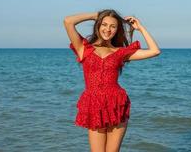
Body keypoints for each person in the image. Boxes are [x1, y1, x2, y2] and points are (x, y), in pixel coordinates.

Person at [63, 9, 161, 152]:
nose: (108, 29)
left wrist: (140, 28)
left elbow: (155, 51)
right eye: (104, 24)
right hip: (94, 103)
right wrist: (94, 16)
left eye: (113, 26)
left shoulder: (120, 52)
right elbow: (68, 21)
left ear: (117, 30)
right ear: (98, 25)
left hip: (117, 103)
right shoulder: (84, 48)